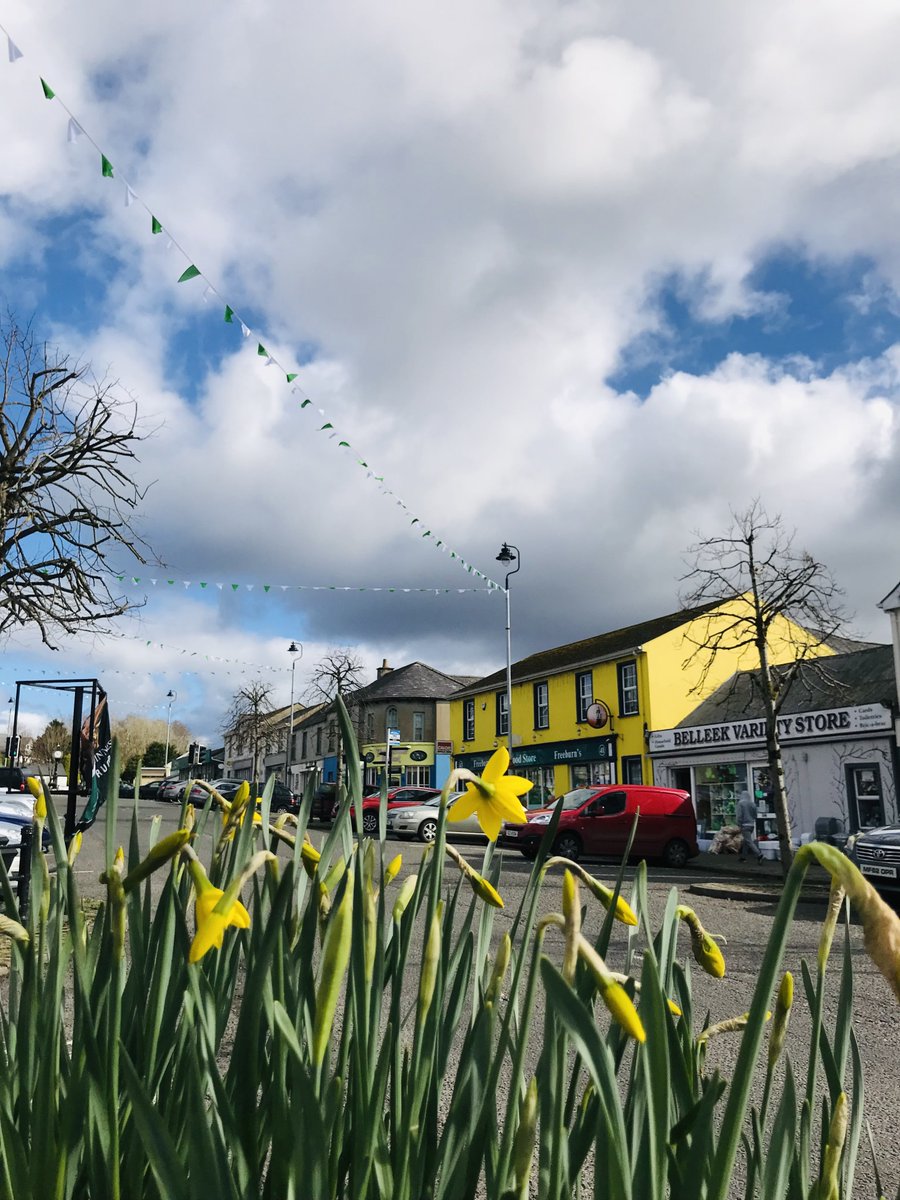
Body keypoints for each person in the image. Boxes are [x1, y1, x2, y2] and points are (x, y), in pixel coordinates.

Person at [736, 789, 764, 863]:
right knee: (746, 841)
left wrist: (739, 823)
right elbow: (755, 815)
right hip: (751, 825)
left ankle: (759, 854)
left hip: (744, 825)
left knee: (748, 841)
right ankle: (743, 857)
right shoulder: (752, 804)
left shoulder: (740, 803)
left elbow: (739, 815)